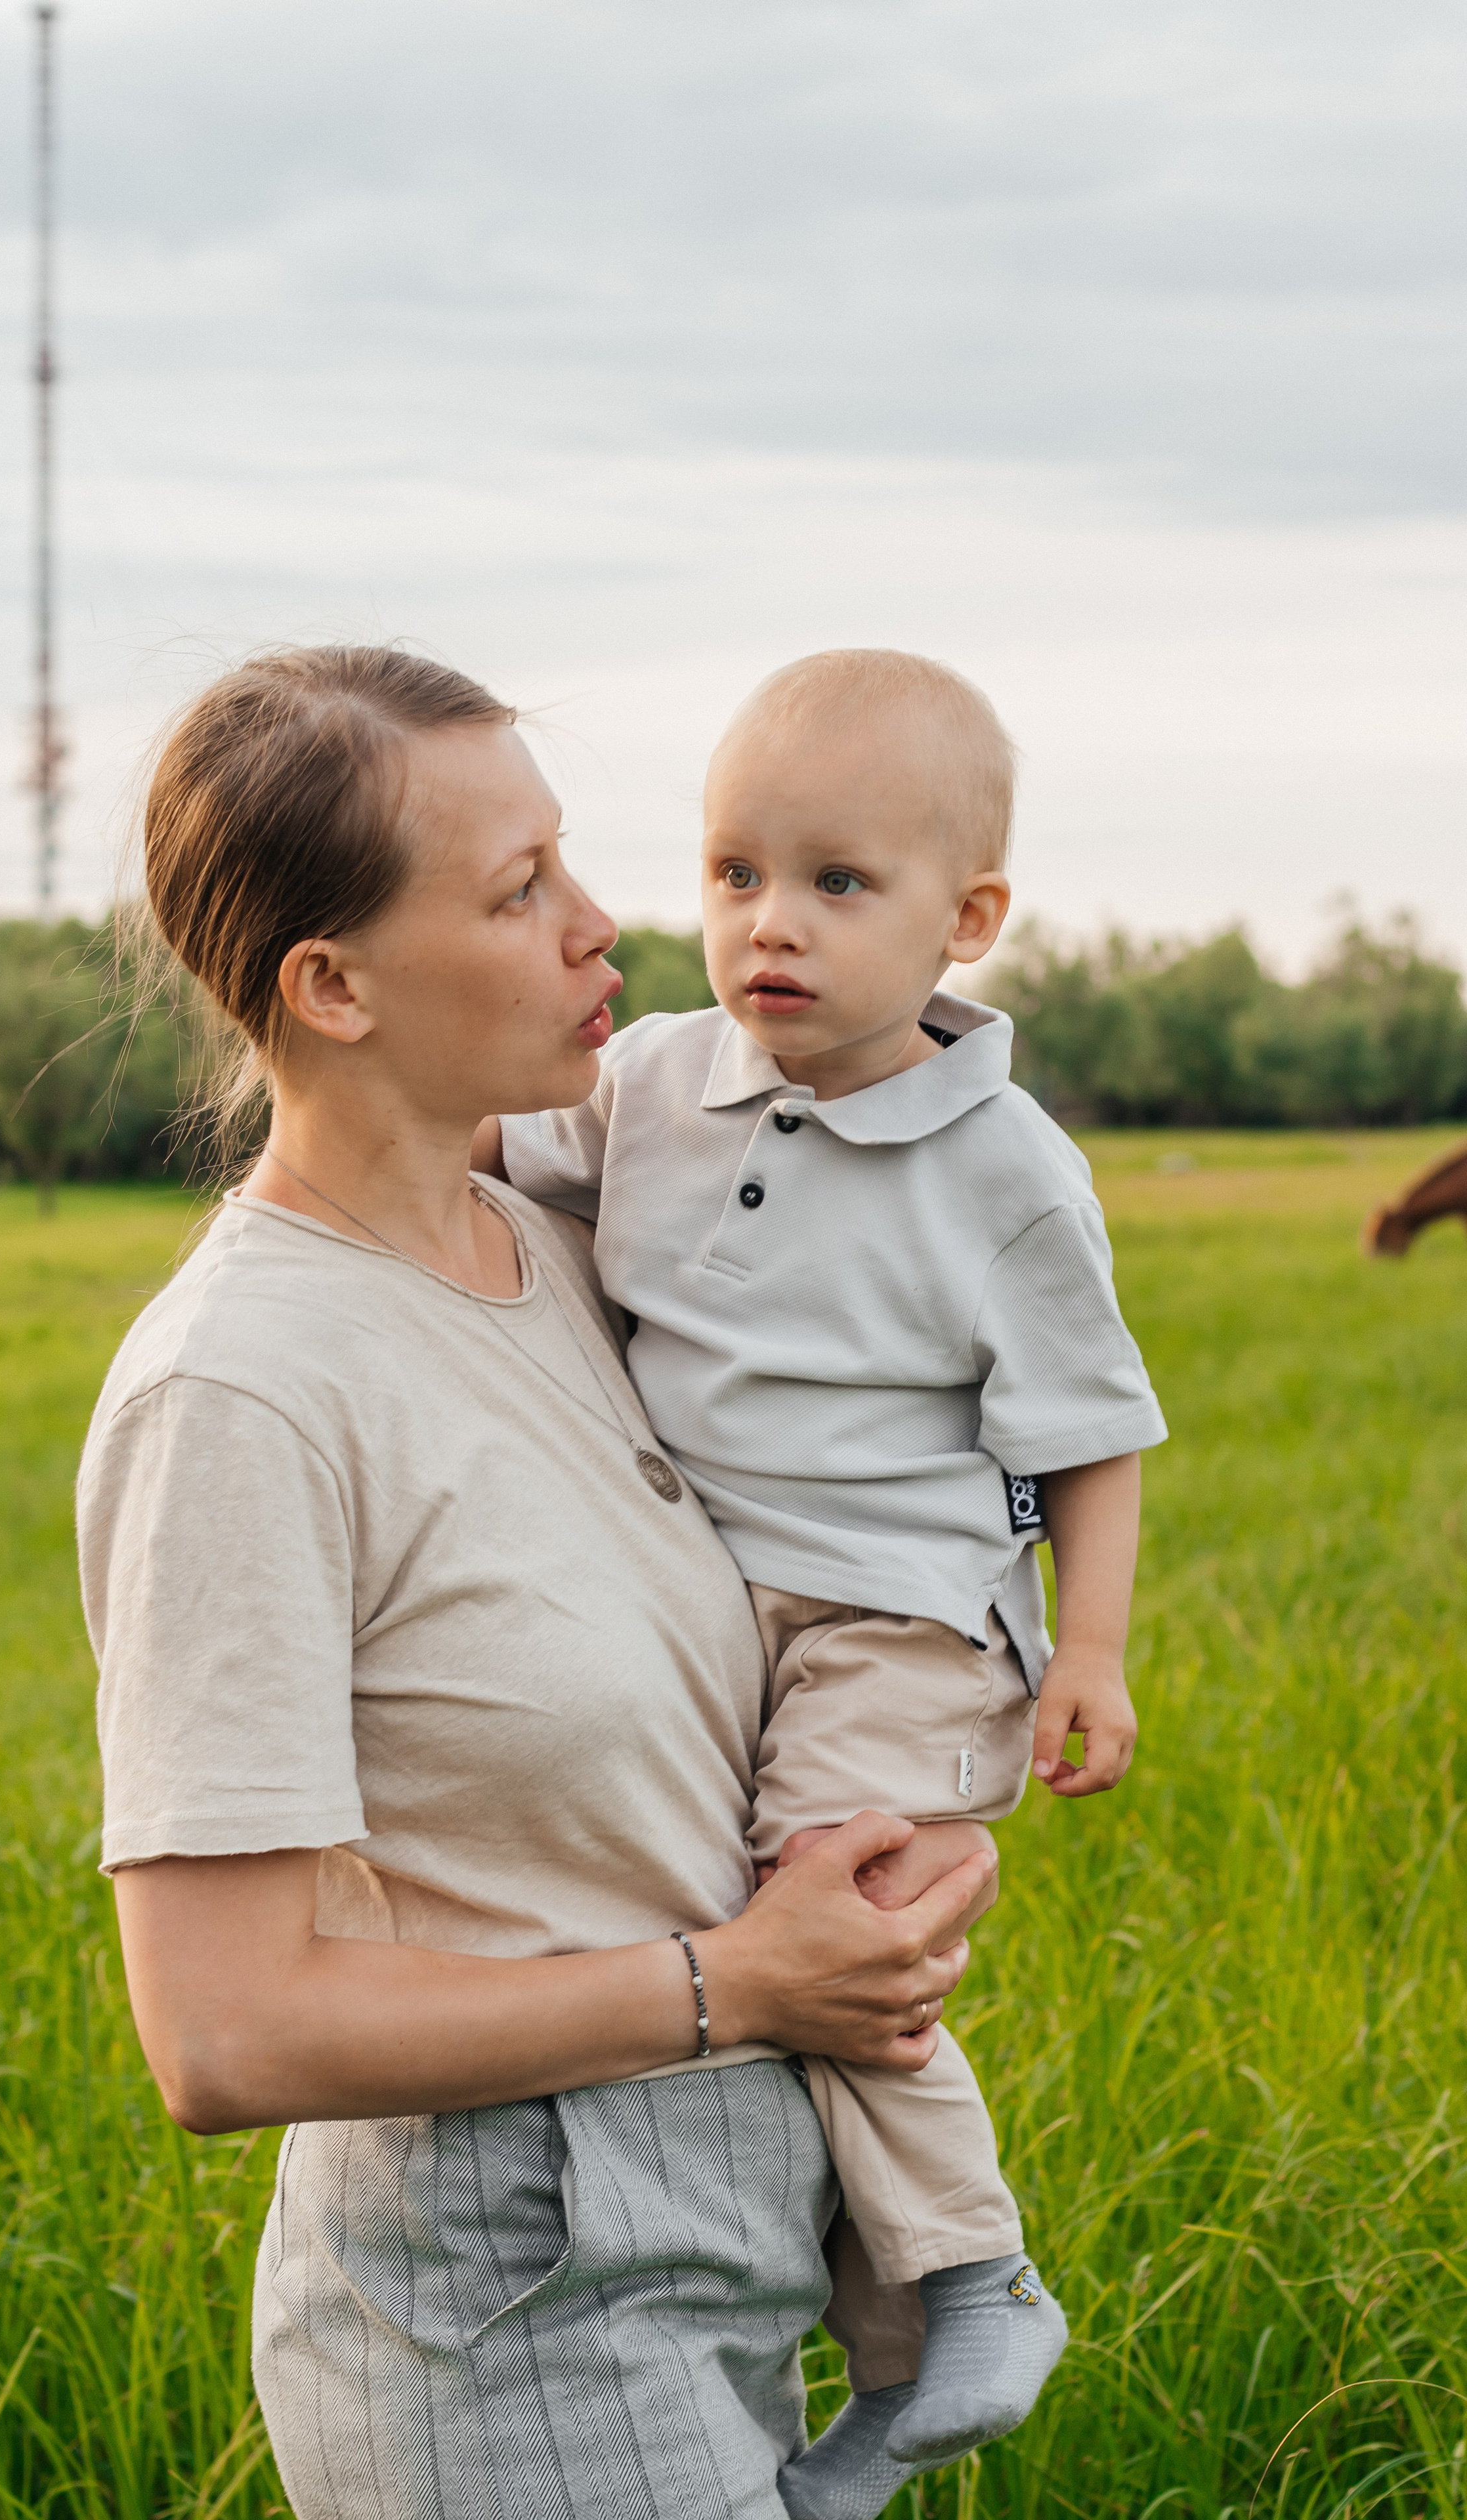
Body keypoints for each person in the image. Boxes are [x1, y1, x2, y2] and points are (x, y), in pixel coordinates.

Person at [77, 644, 1001, 2520]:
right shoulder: (242, 1389)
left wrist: (894, 1847)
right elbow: (222, 2032)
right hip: (506, 2322)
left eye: (570, 863)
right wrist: (737, 1985)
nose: (603, 930)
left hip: (726, 2255)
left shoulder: (575, 1252)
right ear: (329, 987)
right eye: (516, 895)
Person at [479, 649, 1168, 2517]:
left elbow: (1090, 1428)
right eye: (732, 874)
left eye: (838, 885)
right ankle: (879, 2370)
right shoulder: (655, 1083)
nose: (768, 927)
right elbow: (491, 1152)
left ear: (970, 919)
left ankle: (977, 2268)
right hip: (707, 1604)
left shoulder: (1005, 1168)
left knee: (821, 1921)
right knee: (751, 1937)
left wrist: (1084, 1648)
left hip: (899, 1621)